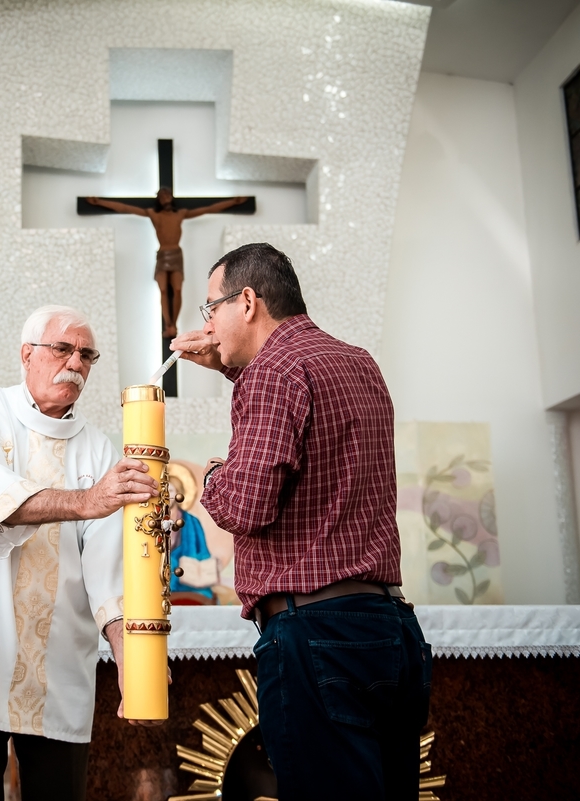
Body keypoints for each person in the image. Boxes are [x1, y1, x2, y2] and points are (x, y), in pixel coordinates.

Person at [171, 243, 432, 801]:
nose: (208, 326)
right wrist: (231, 371)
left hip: (317, 634)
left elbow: (245, 507)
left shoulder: (273, 372)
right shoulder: (359, 362)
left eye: (209, 309)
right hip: (388, 626)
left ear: (246, 301)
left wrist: (215, 477)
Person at [0, 305, 161, 801]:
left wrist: (130, 657)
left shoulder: (99, 449)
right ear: (27, 354)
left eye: (87, 354)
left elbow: (110, 571)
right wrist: (87, 501)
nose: (76, 363)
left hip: (59, 663)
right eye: (63, 348)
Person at [86, 188, 246, 338]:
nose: (165, 198)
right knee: (163, 290)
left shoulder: (180, 214)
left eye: (167, 195)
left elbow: (208, 209)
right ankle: (168, 324)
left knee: (176, 289)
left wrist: (233, 202)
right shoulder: (154, 214)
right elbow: (125, 208)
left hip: (176, 254)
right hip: (163, 254)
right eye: (162, 197)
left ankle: (173, 325)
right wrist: (100, 202)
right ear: (159, 201)